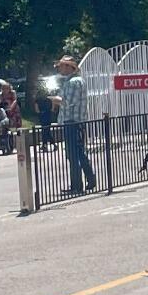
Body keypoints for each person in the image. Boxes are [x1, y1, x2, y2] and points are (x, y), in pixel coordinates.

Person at [55, 54, 97, 194]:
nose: (59, 68)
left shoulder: (73, 82)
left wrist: (57, 100)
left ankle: (77, 186)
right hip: (76, 121)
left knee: (73, 154)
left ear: (68, 67)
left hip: (71, 121)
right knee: (78, 153)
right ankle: (90, 180)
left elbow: (69, 102)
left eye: (61, 66)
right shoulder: (77, 81)